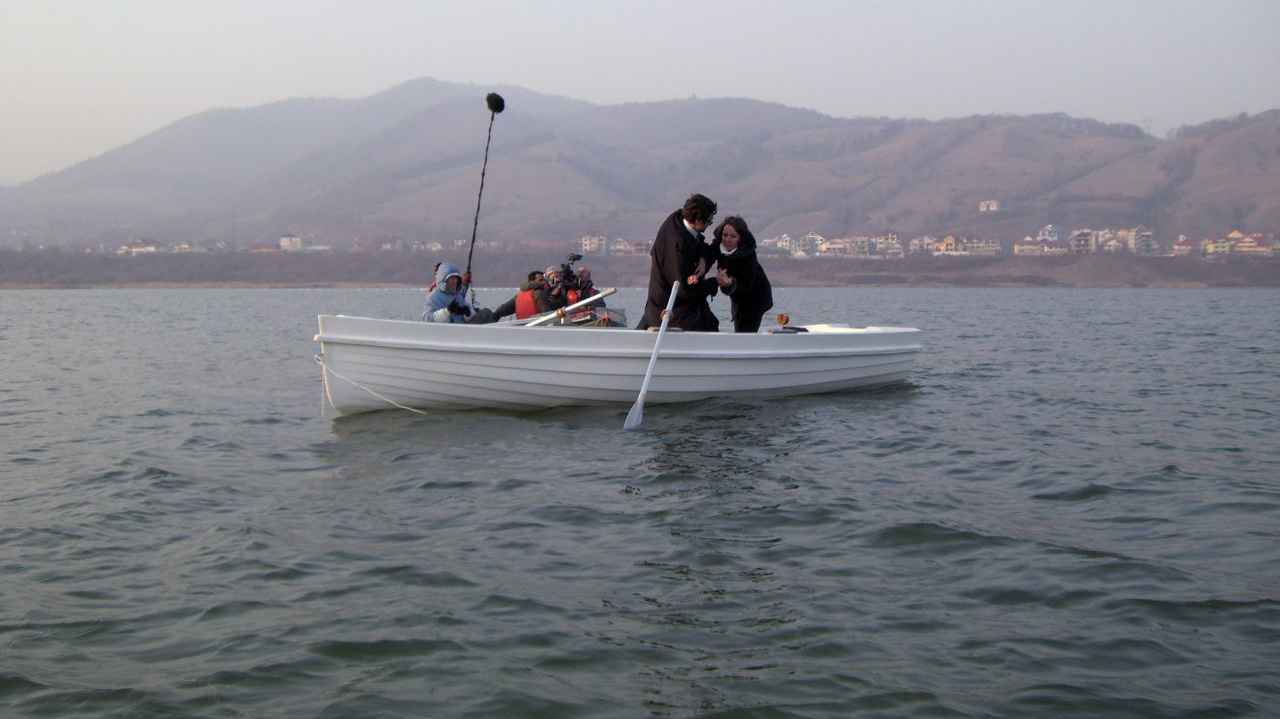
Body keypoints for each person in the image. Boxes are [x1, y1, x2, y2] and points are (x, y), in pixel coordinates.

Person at [637, 193, 720, 332]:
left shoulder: (676, 220)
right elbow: (684, 291)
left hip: (662, 303)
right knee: (707, 326)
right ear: (698, 220)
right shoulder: (677, 247)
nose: (709, 226)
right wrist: (714, 283)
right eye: (708, 222)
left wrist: (703, 258)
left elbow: (698, 243)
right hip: (669, 310)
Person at [710, 216, 774, 333]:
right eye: (725, 235)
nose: (728, 239)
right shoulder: (719, 245)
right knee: (738, 320)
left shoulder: (748, 256)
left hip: (756, 298)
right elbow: (709, 253)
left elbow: (745, 287)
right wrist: (702, 262)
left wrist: (730, 282)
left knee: (745, 327)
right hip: (738, 297)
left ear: (740, 238)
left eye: (733, 236)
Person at [421, 262, 495, 323]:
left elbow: (469, 311)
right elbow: (427, 319)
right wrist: (447, 311)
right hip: (446, 333)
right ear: (444, 280)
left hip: (461, 331)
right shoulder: (433, 297)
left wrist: (467, 312)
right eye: (451, 278)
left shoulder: (457, 295)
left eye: (456, 278)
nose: (454, 281)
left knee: (486, 313)